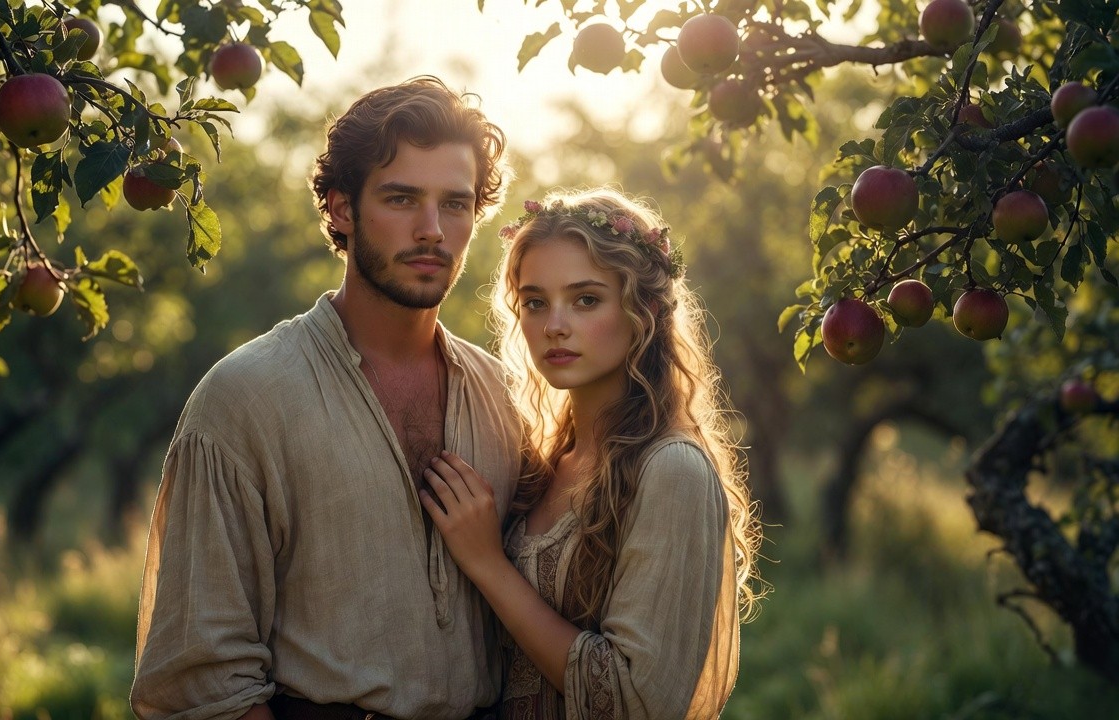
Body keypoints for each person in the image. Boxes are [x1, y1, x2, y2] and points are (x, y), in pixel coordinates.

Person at [131, 76, 523, 720]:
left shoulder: (506, 398)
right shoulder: (246, 398)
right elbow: (200, 676)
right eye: (402, 198)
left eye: (455, 205)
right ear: (342, 210)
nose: (433, 231)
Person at [420, 188, 761, 719]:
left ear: (643, 310)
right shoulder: (541, 462)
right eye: (535, 302)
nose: (554, 324)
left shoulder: (671, 470)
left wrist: (489, 563)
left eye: (585, 299)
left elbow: (634, 702)